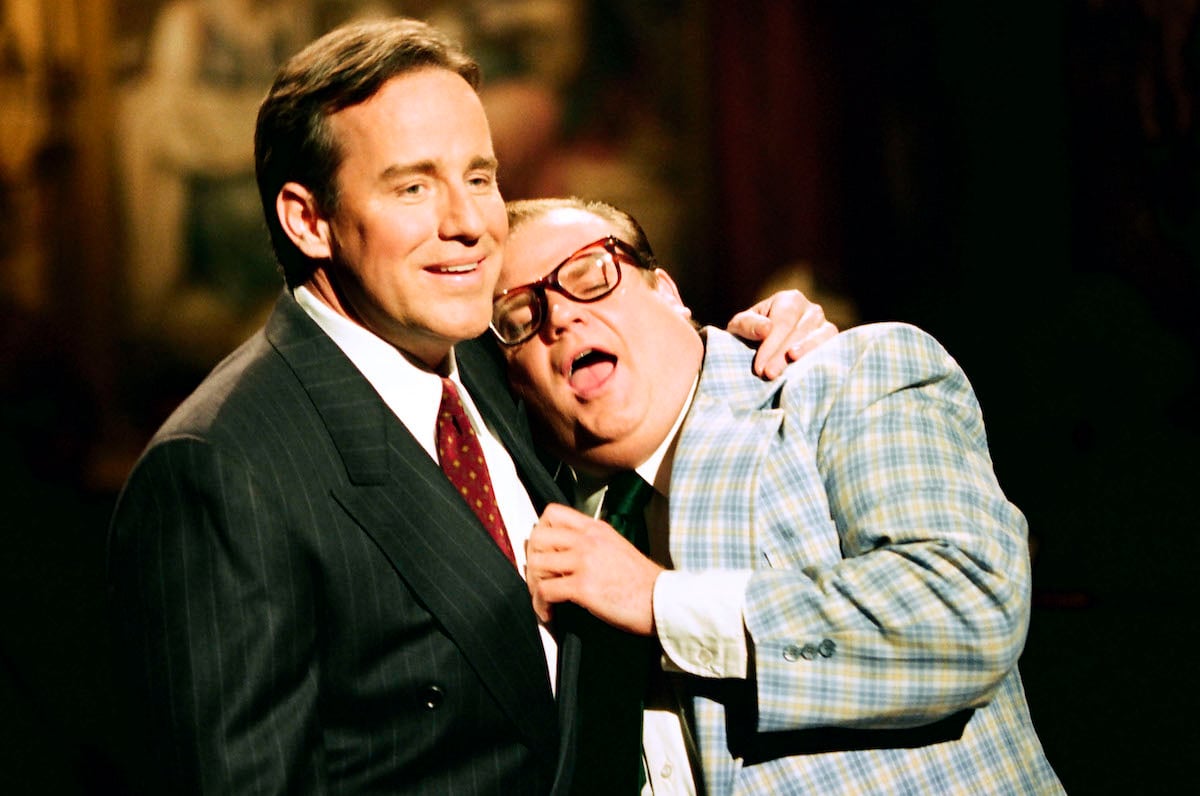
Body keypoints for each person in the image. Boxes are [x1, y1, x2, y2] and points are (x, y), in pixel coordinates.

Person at [106, 18, 830, 794]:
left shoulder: (504, 357)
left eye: (480, 178)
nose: (469, 224)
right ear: (307, 221)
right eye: (413, 187)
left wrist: (754, 353)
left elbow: (649, 381)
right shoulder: (221, 468)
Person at [496, 197, 1066, 795]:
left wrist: (660, 602)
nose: (560, 317)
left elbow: (967, 612)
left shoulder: (844, 377)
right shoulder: (534, 528)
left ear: (666, 292)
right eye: (519, 317)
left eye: (590, 277)